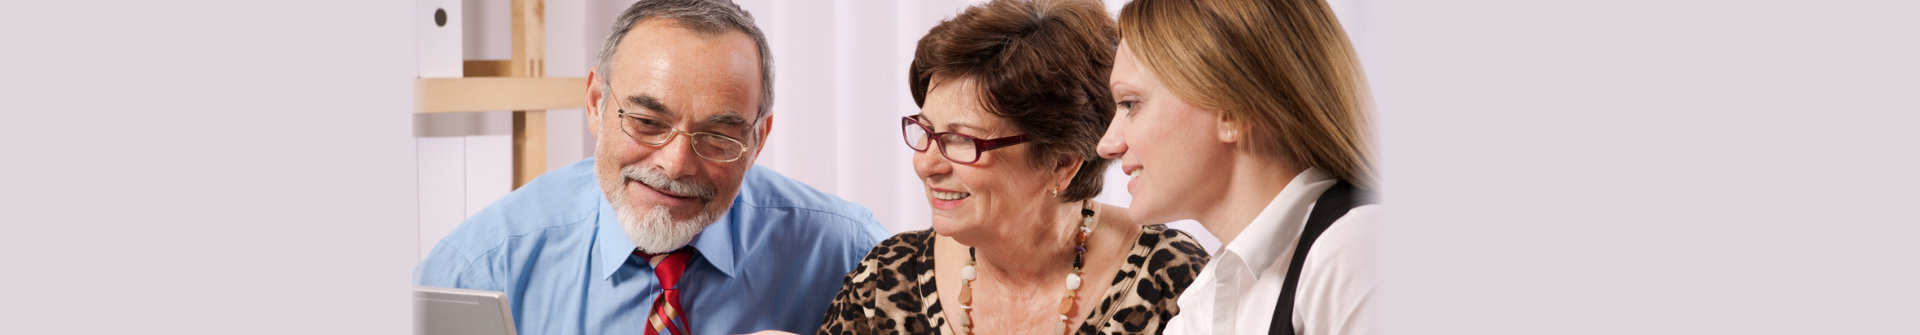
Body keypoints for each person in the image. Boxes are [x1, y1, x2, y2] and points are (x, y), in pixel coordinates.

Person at [414, 0, 890, 334]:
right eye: (646, 122)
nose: (676, 163)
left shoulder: (849, 254)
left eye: (718, 137)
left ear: (757, 140)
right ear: (597, 104)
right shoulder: (479, 268)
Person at [814, 0, 1208, 334]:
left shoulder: (1173, 284)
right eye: (927, 130)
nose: (925, 164)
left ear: (1062, 161)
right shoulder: (885, 279)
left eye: (961, 140)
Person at [1095, 0, 1379, 334]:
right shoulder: (1208, 299)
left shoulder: (1356, 249)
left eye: (1131, 104)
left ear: (1232, 110)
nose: (1107, 144)